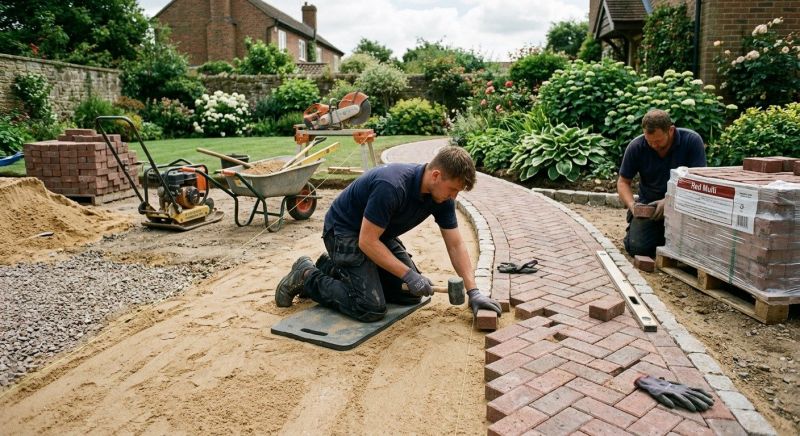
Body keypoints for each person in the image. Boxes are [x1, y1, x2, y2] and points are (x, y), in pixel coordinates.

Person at [275, 145, 502, 322]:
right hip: (344, 233)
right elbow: (366, 241)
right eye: (453, 189)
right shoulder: (392, 186)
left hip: (377, 236)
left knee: (411, 294)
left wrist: (473, 291)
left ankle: (333, 268)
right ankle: (306, 275)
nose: (454, 197)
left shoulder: (442, 198)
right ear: (435, 175)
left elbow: (455, 244)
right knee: (370, 307)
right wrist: (408, 274)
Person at [617, 109, 706, 258]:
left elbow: (699, 182)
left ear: (670, 130)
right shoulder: (636, 146)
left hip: (684, 207)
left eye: (658, 141)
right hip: (650, 208)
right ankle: (656, 234)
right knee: (637, 248)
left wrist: (670, 200)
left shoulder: (691, 141)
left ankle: (666, 238)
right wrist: (632, 205)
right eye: (649, 141)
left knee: (694, 251)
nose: (653, 146)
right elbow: (623, 182)